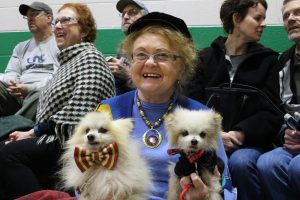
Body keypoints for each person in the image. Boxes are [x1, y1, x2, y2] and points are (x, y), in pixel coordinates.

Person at [98, 12, 236, 200]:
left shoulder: (201, 115)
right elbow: (83, 178)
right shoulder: (108, 111)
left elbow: (226, 187)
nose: (150, 62)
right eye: (140, 55)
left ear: (181, 67)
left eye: (162, 55)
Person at [0, 3, 115, 199]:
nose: (59, 26)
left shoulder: (90, 58)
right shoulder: (68, 62)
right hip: (52, 133)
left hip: (71, 140)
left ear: (85, 30)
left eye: (67, 20)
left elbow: (80, 116)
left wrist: (32, 133)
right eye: (57, 21)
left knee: (7, 155)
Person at [184, 0, 283, 199]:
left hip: (249, 145)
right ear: (236, 18)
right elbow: (191, 105)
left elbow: (272, 112)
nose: (263, 23)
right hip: (206, 141)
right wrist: (215, 135)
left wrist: (240, 133)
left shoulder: (268, 61)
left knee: (240, 161)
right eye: (257, 18)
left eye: (263, 18)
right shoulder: (205, 58)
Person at [257, 0, 300, 199]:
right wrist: (285, 134)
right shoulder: (283, 61)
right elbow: (275, 109)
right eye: (286, 16)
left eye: (298, 13)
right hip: (294, 143)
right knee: (268, 163)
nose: (291, 19)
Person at [0, 2, 59, 121]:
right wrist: (13, 83)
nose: (30, 19)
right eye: (28, 16)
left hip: (40, 93)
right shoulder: (21, 47)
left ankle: (12, 126)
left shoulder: (60, 44)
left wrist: (30, 88)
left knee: (43, 94)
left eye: (34, 14)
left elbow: (59, 77)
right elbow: (11, 72)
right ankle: (15, 124)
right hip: (17, 94)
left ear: (49, 17)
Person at [107, 0, 149, 95]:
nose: (125, 17)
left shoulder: (152, 45)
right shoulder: (123, 46)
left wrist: (128, 75)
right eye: (123, 14)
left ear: (145, 18)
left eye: (132, 12)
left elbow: (155, 89)